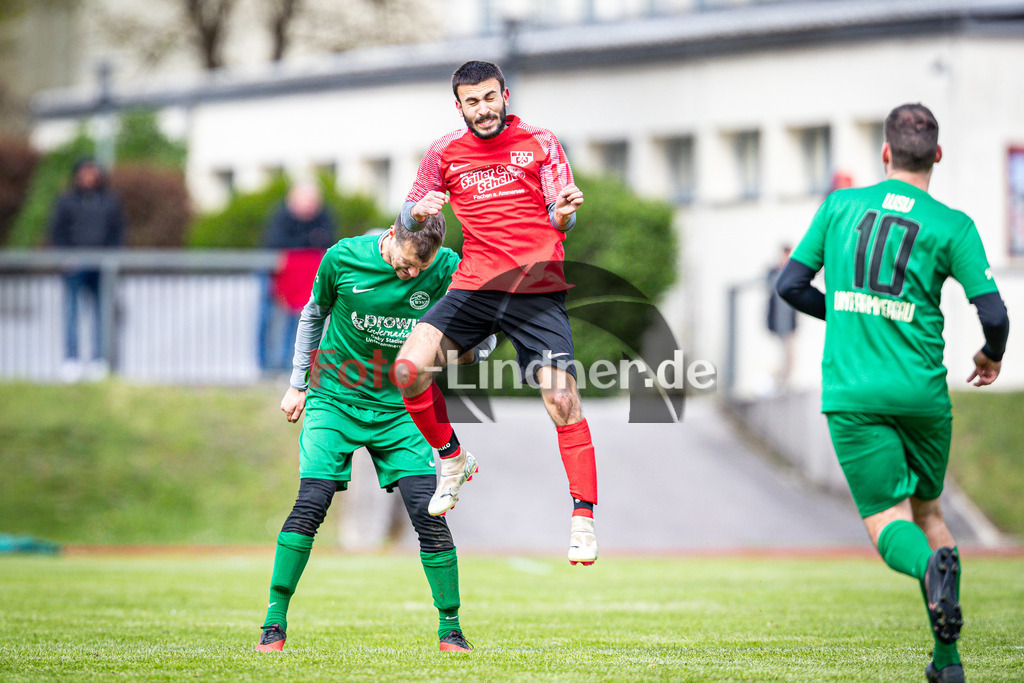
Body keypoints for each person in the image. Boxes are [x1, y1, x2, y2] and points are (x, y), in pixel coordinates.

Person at [777, 103, 1009, 683]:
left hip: (857, 395)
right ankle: (948, 663)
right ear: (936, 155)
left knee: (887, 521)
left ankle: (930, 572)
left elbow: (790, 285)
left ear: (884, 153)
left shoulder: (840, 206)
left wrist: (844, 315)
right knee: (930, 512)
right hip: (923, 395)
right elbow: (996, 315)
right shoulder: (953, 225)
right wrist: (990, 356)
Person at [391, 60, 599, 566]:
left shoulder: (542, 142)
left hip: (535, 287)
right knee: (408, 368)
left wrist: (566, 213)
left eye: (490, 98)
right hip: (475, 286)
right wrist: (414, 213)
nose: (482, 109)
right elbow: (407, 215)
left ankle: (583, 522)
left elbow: (558, 215)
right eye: (472, 101)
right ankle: (452, 458)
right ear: (458, 105)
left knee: (561, 402)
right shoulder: (443, 152)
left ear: (504, 95)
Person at [257, 212, 490, 654]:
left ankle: (451, 629)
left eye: (421, 269)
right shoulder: (342, 258)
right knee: (312, 502)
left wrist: (463, 350)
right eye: (405, 265)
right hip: (335, 397)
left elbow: (484, 335)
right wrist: (296, 383)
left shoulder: (446, 268)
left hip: (402, 408)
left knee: (429, 510)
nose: (411, 275)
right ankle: (274, 622)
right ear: (392, 235)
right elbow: (312, 315)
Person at [49, 157, 125, 382]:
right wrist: (64, 258)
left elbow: (118, 232)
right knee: (71, 313)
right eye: (84, 173)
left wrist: (112, 259)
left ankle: (98, 360)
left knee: (101, 313)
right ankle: (71, 360)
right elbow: (57, 231)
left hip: (101, 266)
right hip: (74, 266)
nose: (88, 177)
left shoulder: (109, 201)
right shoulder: (66, 201)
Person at [259, 181, 337, 371]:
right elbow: (275, 243)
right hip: (274, 275)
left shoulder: (323, 216)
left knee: (298, 322)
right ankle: (265, 366)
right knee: (267, 320)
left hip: (304, 280)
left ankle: (288, 364)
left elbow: (327, 240)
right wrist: (308, 241)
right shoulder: (281, 216)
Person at [766, 245, 798, 391]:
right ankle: (773, 382)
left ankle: (780, 384)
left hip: (788, 325)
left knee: (790, 358)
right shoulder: (774, 273)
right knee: (782, 357)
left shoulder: (793, 273)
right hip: (777, 325)